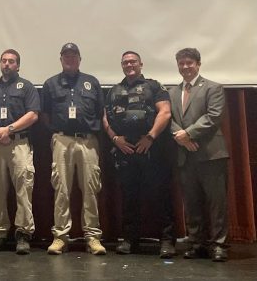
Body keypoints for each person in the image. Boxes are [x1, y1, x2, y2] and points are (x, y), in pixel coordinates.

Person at [103, 51, 175, 257]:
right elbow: (105, 117)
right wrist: (115, 139)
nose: (129, 65)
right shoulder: (114, 89)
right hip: (124, 150)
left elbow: (165, 112)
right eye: (125, 62)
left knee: (160, 195)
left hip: (151, 149)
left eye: (133, 61)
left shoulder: (154, 86)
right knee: (129, 197)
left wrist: (150, 137)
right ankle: (129, 239)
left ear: (141, 64)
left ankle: (167, 241)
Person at [41, 43, 106, 255]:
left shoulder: (91, 82)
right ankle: (60, 237)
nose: (70, 59)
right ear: (60, 59)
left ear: (80, 58)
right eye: (66, 56)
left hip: (88, 141)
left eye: (73, 56)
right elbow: (45, 115)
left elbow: (100, 112)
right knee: (61, 189)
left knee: (91, 189)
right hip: (62, 140)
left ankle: (93, 237)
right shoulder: (50, 84)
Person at [169, 48, 229, 262]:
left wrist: (188, 134)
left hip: (211, 154)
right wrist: (181, 137)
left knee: (216, 203)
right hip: (185, 156)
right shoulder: (172, 92)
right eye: (181, 63)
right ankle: (197, 243)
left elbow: (213, 117)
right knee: (192, 203)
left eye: (189, 63)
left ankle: (219, 245)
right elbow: (169, 119)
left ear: (198, 64)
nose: (185, 67)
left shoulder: (213, 87)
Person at [0, 49, 39, 255]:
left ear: (18, 66)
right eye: (4, 61)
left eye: (11, 61)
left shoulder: (26, 87)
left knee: (23, 187)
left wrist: (9, 129)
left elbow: (33, 115)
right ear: (0, 64)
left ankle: (23, 234)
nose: (7, 64)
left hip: (19, 142)